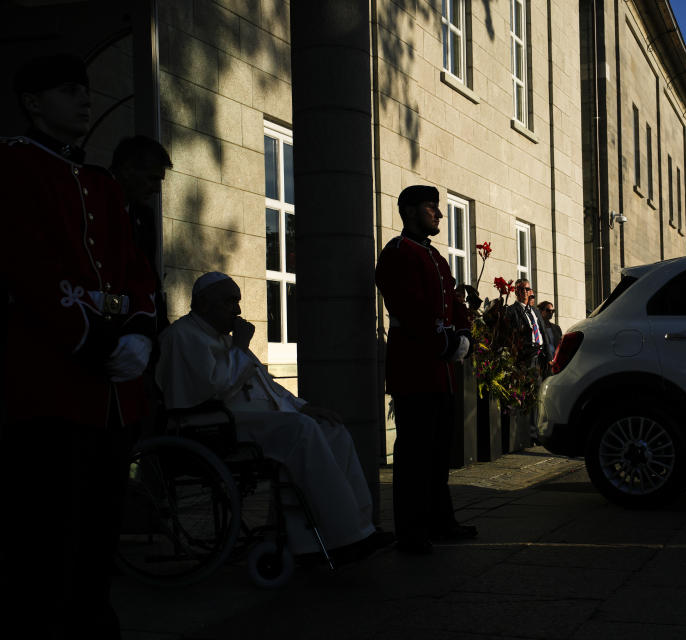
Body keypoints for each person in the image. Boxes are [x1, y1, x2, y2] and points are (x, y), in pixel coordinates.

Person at [0, 53, 158, 639]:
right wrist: (90, 339)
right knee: (48, 531)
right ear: (34, 102)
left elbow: (136, 271)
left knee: (99, 524)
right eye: (70, 91)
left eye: (87, 90)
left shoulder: (99, 183)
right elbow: (26, 266)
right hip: (54, 380)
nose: (86, 100)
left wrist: (141, 330)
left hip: (112, 390)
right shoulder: (15, 165)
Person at [155, 273, 392, 563]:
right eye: (230, 303)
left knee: (332, 429)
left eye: (238, 302)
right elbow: (212, 391)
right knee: (302, 431)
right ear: (204, 304)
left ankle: (359, 529)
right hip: (214, 427)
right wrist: (240, 347)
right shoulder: (183, 336)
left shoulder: (221, 337)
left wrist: (302, 406)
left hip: (247, 422)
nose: (238, 311)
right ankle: (344, 538)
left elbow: (265, 382)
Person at [375, 184, 478, 554]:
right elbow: (410, 307)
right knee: (414, 454)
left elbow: (453, 299)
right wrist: (445, 343)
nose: (437, 214)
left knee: (437, 452)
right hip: (414, 366)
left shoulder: (436, 258)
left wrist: (463, 332)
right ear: (408, 211)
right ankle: (412, 530)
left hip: (440, 370)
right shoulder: (398, 253)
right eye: (430, 208)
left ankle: (440, 520)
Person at [110, 135, 173, 329]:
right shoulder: (92, 202)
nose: (156, 189)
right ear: (128, 170)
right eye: (152, 179)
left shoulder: (144, 216)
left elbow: (151, 279)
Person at [509, 279, 554, 372]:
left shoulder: (535, 311)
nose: (525, 291)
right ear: (516, 291)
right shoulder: (512, 311)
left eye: (527, 288)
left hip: (542, 357)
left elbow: (544, 333)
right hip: (526, 358)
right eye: (522, 289)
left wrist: (549, 357)